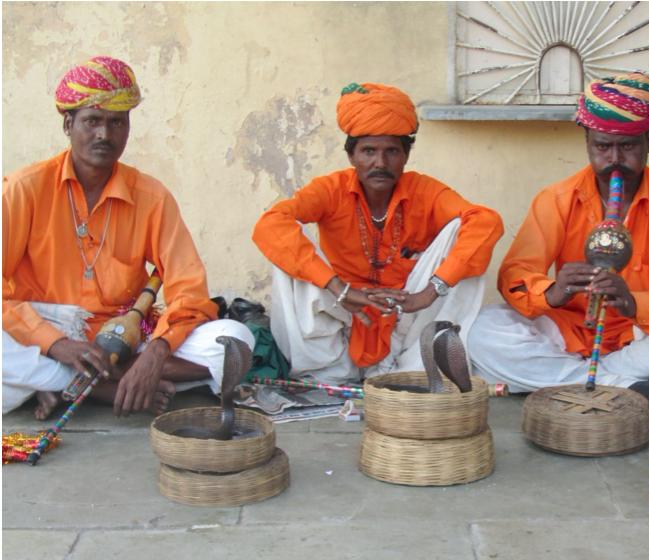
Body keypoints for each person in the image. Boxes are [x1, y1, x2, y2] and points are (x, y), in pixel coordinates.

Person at [2, 56, 254, 419]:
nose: (104, 135)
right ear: (68, 124)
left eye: (116, 122)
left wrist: (155, 354)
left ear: (128, 128)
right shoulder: (24, 189)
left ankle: (80, 382)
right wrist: (56, 344)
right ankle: (101, 387)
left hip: (128, 340)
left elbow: (189, 291)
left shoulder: (151, 196)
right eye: (92, 122)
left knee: (234, 341)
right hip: (49, 331)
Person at [468, 73, 649, 414]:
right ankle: (620, 386)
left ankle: (573, 379)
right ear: (588, 144)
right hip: (568, 329)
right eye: (603, 147)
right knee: (484, 330)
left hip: (641, 336)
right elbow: (516, 273)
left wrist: (633, 302)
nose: (615, 159)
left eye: (628, 146)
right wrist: (552, 291)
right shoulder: (557, 198)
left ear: (648, 141)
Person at [252, 82, 503, 384]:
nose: (380, 163)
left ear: (405, 156)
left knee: (467, 230)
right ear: (352, 156)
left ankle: (413, 369)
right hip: (342, 314)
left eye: (391, 152)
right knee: (284, 242)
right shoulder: (329, 190)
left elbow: (486, 221)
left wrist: (429, 291)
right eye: (368, 151)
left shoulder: (424, 190)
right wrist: (337, 288)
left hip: (406, 315)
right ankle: (326, 371)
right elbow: (270, 224)